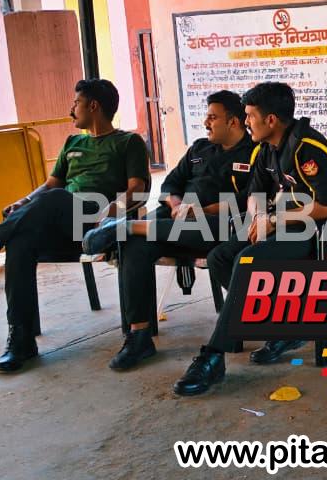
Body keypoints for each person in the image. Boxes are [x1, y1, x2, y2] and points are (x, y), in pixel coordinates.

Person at [0, 79, 150, 373]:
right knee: (20, 242)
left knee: (55, 199)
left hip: (98, 224)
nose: (71, 110)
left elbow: (137, 189)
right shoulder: (73, 143)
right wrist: (24, 201)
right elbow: (50, 184)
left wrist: (108, 212)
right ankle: (21, 340)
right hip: (62, 223)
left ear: (93, 106)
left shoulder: (127, 142)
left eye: (76, 103)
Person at [174, 81, 327, 397]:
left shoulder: (308, 148)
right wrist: (259, 218)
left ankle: (213, 356)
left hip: (323, 231)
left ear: (271, 119)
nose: (246, 122)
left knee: (248, 261)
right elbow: (254, 196)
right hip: (282, 226)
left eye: (251, 116)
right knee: (219, 258)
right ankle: (284, 326)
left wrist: (274, 220)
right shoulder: (264, 149)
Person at [81, 90, 258, 372]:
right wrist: (176, 205)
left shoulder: (255, 153)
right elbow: (170, 184)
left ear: (234, 122)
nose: (206, 123)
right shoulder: (199, 149)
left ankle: (126, 227)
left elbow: (248, 200)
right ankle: (139, 336)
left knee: (142, 232)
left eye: (213, 117)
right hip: (174, 221)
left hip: (217, 227)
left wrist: (201, 210)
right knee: (135, 244)